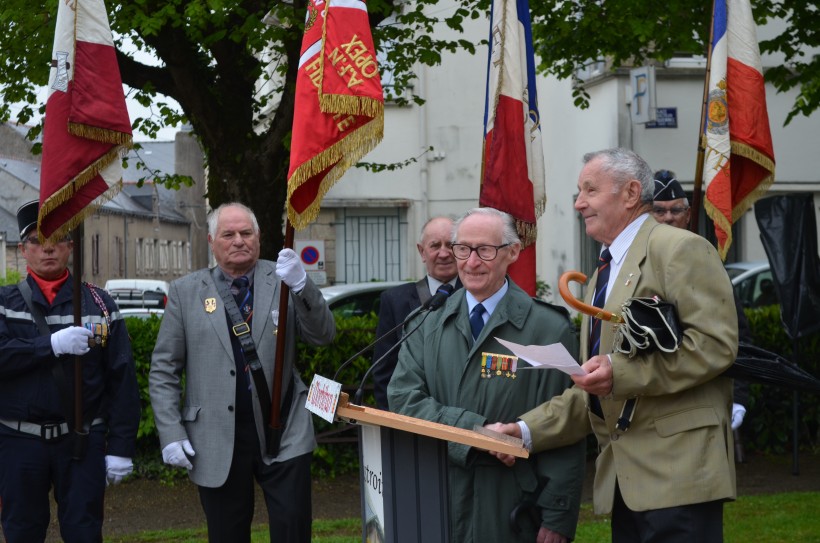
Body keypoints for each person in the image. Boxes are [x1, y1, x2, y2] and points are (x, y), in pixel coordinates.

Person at [490, 149, 739, 542]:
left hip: (679, 475)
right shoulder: (602, 273)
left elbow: (714, 346)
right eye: (578, 191)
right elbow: (595, 386)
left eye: (590, 189)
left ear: (630, 193)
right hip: (629, 484)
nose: (579, 202)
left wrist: (617, 373)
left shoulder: (680, 248)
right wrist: (523, 431)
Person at [388, 207, 586, 543]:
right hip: (438, 496)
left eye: (485, 250)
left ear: (512, 252)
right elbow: (404, 400)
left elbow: (568, 425)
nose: (471, 262)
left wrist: (558, 514)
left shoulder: (547, 328)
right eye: (463, 249)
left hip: (511, 504)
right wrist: (477, 432)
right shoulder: (426, 323)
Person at [149, 202, 336, 543]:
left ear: (259, 238)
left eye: (246, 233)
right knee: (227, 534)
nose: (238, 241)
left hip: (283, 428)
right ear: (211, 241)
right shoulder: (186, 292)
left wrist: (301, 285)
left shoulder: (281, 279)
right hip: (216, 435)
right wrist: (171, 432)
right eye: (228, 234)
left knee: (293, 528)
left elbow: (323, 335)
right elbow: (164, 369)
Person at [0, 200, 140, 543]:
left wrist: (120, 446)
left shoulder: (99, 304)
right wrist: (49, 346)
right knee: (21, 532)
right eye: (36, 239)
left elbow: (121, 379)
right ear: (23, 249)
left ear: (71, 246)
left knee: (84, 532)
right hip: (19, 441)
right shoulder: (4, 303)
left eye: (58, 238)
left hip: (80, 439)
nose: (48, 247)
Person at [652, 170, 750, 440]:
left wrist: (739, 395)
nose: (669, 217)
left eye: (676, 210)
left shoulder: (704, 259)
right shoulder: (633, 264)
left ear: (688, 215)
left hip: (701, 398)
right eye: (659, 211)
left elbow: (736, 333)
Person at [372, 216, 461, 409]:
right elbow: (383, 372)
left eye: (451, 245)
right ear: (422, 252)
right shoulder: (395, 300)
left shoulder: (477, 295)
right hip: (413, 415)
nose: (444, 253)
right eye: (435, 246)